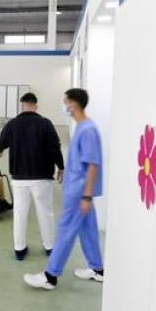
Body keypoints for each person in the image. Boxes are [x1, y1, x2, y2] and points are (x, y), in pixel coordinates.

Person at [24, 88, 105, 290]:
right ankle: (97, 269)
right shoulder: (82, 127)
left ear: (73, 104)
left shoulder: (87, 130)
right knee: (88, 230)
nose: (64, 105)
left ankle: (50, 276)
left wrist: (86, 196)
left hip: (79, 193)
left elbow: (93, 164)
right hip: (78, 189)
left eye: (66, 102)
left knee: (66, 232)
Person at [0, 92, 65, 261]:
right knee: (45, 212)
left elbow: (1, 142)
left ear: (22, 106)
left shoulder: (13, 124)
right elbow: (55, 147)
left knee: (20, 213)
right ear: (36, 106)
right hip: (42, 177)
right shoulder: (45, 123)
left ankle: (19, 249)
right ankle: (49, 247)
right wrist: (61, 167)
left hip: (19, 177)